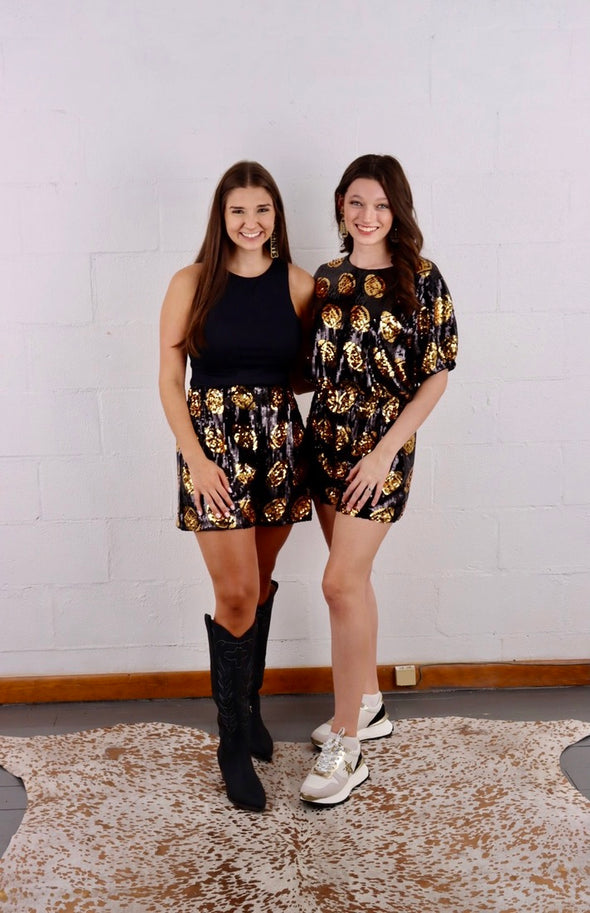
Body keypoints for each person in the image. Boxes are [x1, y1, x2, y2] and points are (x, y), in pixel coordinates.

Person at [300, 154, 458, 806]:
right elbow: (308, 365)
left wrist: (385, 452)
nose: (369, 215)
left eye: (382, 205)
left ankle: (347, 746)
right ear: (341, 205)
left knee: (337, 582)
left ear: (399, 210)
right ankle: (366, 703)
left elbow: (437, 375)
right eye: (357, 202)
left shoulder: (421, 278)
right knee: (354, 582)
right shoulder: (326, 277)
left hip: (379, 452)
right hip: (324, 443)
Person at [159, 161, 315, 813]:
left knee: (262, 579)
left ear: (277, 215)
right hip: (213, 448)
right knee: (236, 592)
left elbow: (307, 373)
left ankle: (249, 710)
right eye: (238, 211)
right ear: (221, 218)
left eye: (262, 210)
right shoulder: (191, 282)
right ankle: (230, 742)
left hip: (279, 444)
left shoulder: (300, 284)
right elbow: (170, 379)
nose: (251, 222)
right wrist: (195, 459)